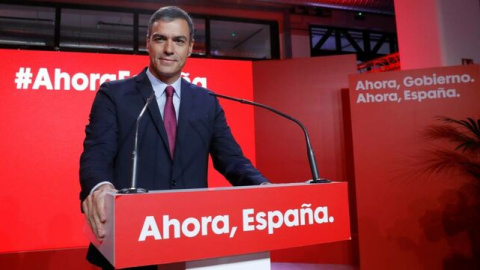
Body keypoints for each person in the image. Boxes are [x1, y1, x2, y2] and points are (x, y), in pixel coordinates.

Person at [79, 6, 269, 269]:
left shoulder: (207, 101)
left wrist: (263, 188)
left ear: (190, 47)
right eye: (161, 39)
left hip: (190, 237)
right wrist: (100, 187)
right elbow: (97, 151)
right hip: (131, 238)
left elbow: (232, 159)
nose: (169, 49)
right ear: (148, 42)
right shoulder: (114, 94)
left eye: (178, 40)